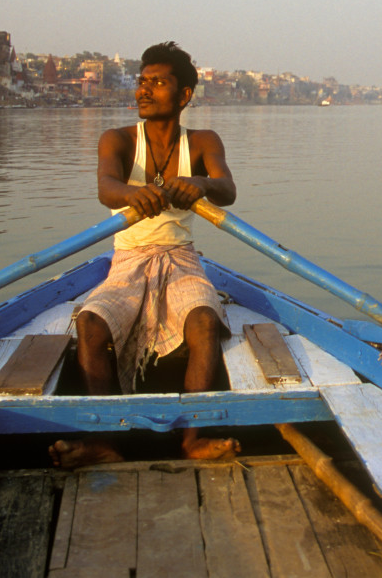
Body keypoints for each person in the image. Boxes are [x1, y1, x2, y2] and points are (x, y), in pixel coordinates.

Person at [49, 41, 240, 468]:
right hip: (129, 259)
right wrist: (139, 194)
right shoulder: (116, 139)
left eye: (158, 82)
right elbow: (107, 188)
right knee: (92, 324)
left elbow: (227, 189)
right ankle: (105, 440)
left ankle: (191, 438)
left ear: (185, 94)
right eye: (142, 82)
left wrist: (201, 185)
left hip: (181, 257)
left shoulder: (203, 141)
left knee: (205, 321)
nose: (144, 90)